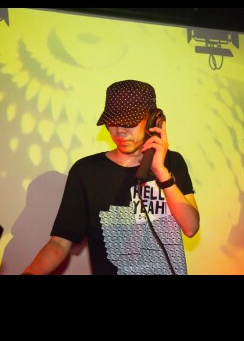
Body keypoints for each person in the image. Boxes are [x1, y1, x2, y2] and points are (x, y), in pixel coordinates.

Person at [22, 79, 199, 275]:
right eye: (112, 122)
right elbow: (59, 243)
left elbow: (191, 227)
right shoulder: (86, 171)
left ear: (153, 121)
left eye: (129, 122)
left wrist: (160, 171)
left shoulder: (172, 163)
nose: (119, 131)